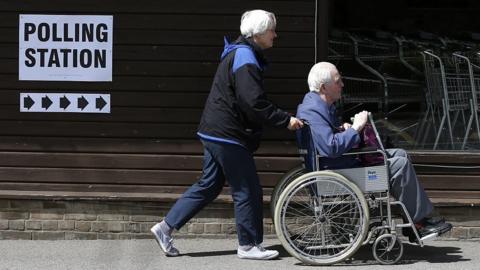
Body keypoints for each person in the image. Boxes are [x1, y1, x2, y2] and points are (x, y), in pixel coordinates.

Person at [150, 10, 303, 260]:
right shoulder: (245, 56)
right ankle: (248, 244)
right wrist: (285, 120)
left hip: (214, 130)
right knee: (248, 189)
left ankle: (165, 227)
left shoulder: (239, 52)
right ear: (258, 33)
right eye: (272, 30)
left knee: (209, 185)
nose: (275, 34)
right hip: (227, 133)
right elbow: (253, 101)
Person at [296, 61, 452, 241]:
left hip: (341, 164)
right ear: (324, 87)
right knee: (399, 165)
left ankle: (414, 221)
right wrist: (355, 128)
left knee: (400, 154)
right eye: (338, 81)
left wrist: (343, 129)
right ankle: (418, 222)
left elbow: (327, 139)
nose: (342, 85)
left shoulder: (318, 106)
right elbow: (330, 147)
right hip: (336, 172)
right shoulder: (313, 111)